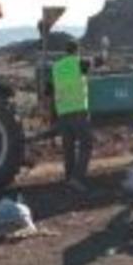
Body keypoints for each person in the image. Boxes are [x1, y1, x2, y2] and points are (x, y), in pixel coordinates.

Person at [51, 40, 97, 192]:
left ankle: (69, 178)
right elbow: (97, 62)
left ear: (66, 51)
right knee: (87, 144)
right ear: (77, 51)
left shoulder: (57, 67)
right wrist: (104, 51)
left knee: (68, 147)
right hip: (77, 110)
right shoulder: (79, 62)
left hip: (63, 112)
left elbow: (50, 88)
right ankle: (77, 178)